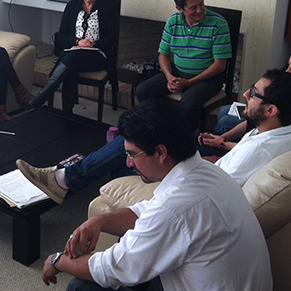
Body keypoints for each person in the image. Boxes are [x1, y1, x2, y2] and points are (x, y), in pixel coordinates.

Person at [40, 101, 272, 290]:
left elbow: (111, 269)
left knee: (82, 287)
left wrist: (58, 261)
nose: (128, 163)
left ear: (160, 152)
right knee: (133, 246)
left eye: (132, 154)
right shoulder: (208, 172)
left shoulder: (175, 208)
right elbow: (150, 210)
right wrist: (100, 221)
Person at [18, 69, 291, 203]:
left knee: (132, 143)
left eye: (253, 94)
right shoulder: (289, 128)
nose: (245, 94)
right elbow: (245, 149)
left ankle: (65, 179)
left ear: (271, 109)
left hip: (200, 172)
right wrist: (223, 143)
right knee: (136, 146)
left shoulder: (258, 151)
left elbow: (214, 184)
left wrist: (213, 158)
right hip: (214, 158)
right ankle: (74, 177)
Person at [201, 44, 291, 157]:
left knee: (224, 121)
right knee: (224, 112)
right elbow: (252, 124)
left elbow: (261, 150)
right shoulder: (290, 93)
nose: (287, 71)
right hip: (247, 141)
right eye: (289, 64)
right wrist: (223, 137)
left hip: (246, 150)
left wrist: (222, 143)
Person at [135, 0, 231, 130]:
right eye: (193, 7)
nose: (200, 10)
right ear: (180, 8)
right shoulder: (173, 22)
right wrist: (169, 77)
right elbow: (163, 55)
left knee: (189, 102)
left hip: (208, 78)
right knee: (143, 89)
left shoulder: (219, 24)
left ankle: (185, 138)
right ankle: (157, 128)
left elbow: (220, 65)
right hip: (178, 72)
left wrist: (189, 82)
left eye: (201, 4)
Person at [30, 0, 119, 114]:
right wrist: (78, 42)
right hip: (74, 53)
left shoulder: (108, 8)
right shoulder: (72, 6)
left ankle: (45, 94)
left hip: (98, 55)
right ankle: (67, 112)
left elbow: (112, 39)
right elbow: (61, 36)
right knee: (72, 62)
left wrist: (92, 44)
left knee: (71, 59)